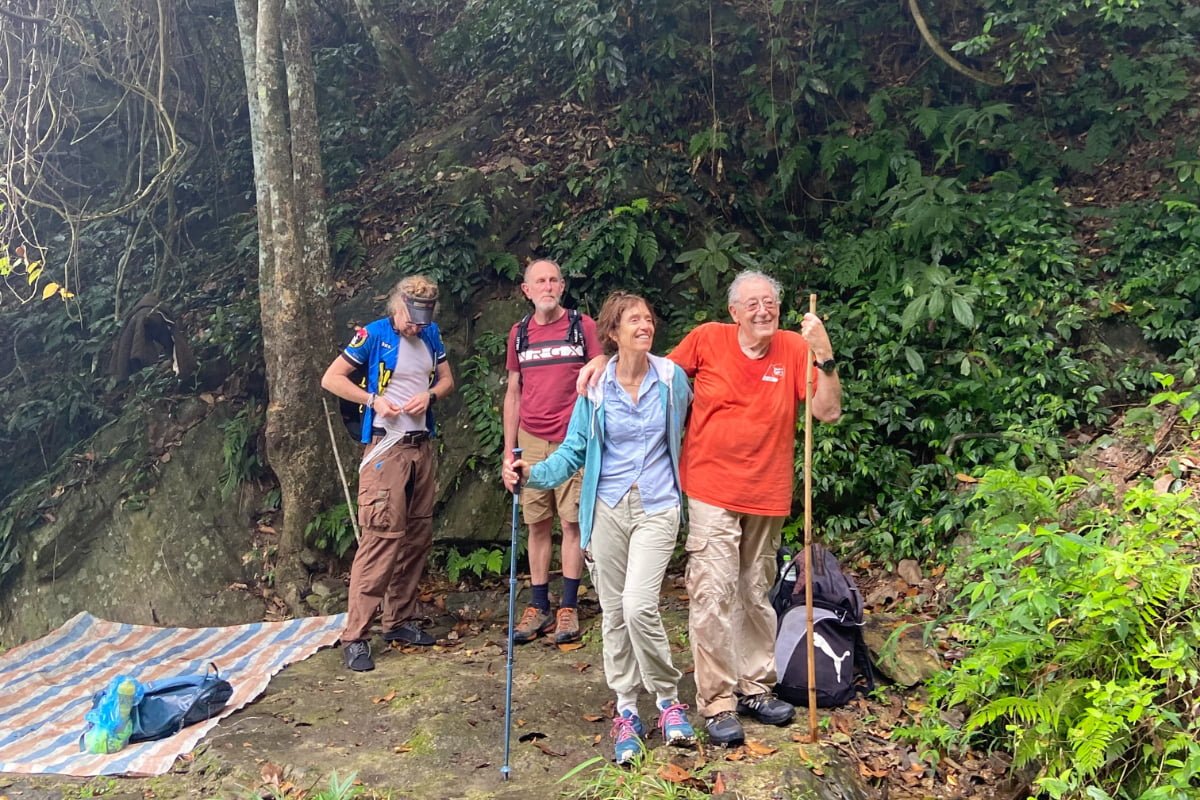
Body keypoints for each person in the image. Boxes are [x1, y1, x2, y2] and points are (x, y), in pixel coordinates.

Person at [578, 270, 842, 746]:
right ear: (734, 311)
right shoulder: (707, 339)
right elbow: (652, 370)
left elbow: (827, 411)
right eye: (752, 304)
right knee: (713, 593)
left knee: (755, 592)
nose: (763, 311)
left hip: (768, 493)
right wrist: (604, 358)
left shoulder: (793, 347)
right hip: (711, 489)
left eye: (770, 302)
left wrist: (824, 354)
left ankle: (755, 687)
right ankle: (718, 700)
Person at [504, 291, 696, 765]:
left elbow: (693, 430)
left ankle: (668, 700)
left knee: (638, 605)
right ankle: (626, 709)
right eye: (634, 320)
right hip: (606, 508)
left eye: (648, 319)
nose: (645, 326)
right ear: (612, 332)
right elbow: (574, 451)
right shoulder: (595, 388)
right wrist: (532, 472)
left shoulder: (671, 379)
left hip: (657, 504)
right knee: (613, 612)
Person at [321, 275, 455, 672]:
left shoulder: (430, 334)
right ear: (396, 308)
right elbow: (332, 378)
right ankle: (356, 635)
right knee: (380, 538)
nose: (415, 327)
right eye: (410, 320)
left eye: (421, 321)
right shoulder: (373, 334)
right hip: (386, 447)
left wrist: (429, 395)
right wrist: (374, 400)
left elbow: (446, 379)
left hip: (421, 445)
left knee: (416, 535)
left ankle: (398, 620)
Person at [502, 259, 602, 645]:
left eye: (553, 280)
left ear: (562, 287)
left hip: (572, 439)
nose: (547, 287)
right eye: (539, 281)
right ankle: (539, 603)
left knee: (571, 522)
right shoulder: (519, 333)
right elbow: (514, 391)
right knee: (537, 522)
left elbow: (602, 370)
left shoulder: (583, 326)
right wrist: (509, 451)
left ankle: (569, 606)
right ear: (526, 290)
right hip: (530, 438)